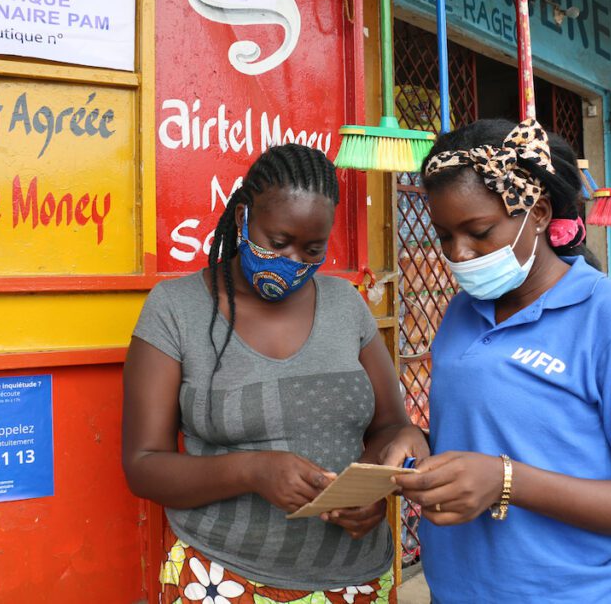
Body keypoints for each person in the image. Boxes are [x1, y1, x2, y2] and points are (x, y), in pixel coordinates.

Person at [384, 119, 611, 603]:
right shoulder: (463, 310)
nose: (459, 255)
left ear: (540, 212)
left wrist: (506, 481)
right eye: (444, 236)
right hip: (455, 591)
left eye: (479, 232)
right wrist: (417, 440)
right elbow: (496, 433)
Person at [123, 143, 427, 603]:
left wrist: (377, 488)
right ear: (242, 216)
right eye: (278, 242)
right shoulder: (176, 310)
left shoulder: (345, 304)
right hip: (223, 578)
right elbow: (144, 466)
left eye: (312, 248)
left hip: (357, 576)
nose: (292, 261)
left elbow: (389, 426)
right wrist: (251, 471)